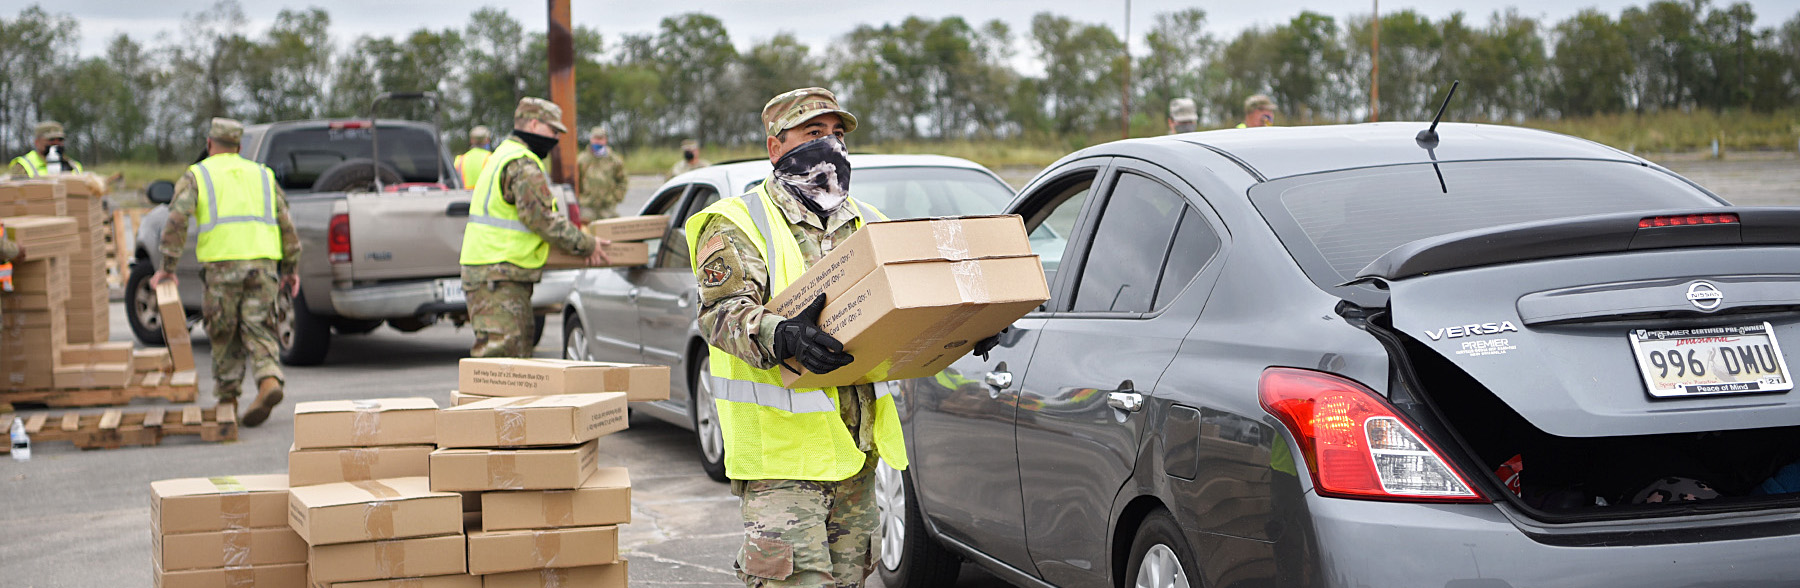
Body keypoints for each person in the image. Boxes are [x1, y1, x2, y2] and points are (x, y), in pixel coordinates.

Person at [684, 87, 905, 588]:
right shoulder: (739, 221)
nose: (830, 144)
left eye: (837, 133)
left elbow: (910, 296)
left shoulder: (867, 221)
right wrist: (782, 335)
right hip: (782, 464)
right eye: (813, 133)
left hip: (855, 453)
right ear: (775, 147)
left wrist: (967, 324)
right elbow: (721, 313)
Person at [151, 118, 301, 427]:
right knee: (259, 327)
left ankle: (228, 401)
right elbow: (286, 223)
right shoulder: (263, 175)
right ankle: (269, 380)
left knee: (224, 333)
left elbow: (177, 220)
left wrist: (167, 269)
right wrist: (291, 267)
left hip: (222, 269)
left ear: (209, 144)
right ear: (240, 146)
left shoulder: (199, 174)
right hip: (263, 267)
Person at [459, 97, 608, 358]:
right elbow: (541, 220)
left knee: (509, 359)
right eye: (553, 131)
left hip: (494, 272)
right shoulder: (521, 163)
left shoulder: (503, 154)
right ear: (535, 124)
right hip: (498, 273)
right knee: (504, 363)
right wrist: (587, 244)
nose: (555, 138)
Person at [577, 126, 628, 220]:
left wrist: (616, 197)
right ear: (591, 139)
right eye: (595, 138)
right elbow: (577, 180)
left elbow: (622, 180)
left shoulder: (614, 160)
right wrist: (580, 198)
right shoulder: (582, 159)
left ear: (605, 140)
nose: (598, 142)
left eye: (600, 139)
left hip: (607, 206)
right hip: (587, 206)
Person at [9, 121, 84, 178]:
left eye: (60, 140)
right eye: (51, 139)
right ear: (37, 142)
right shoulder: (23, 165)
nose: (56, 143)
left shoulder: (74, 166)